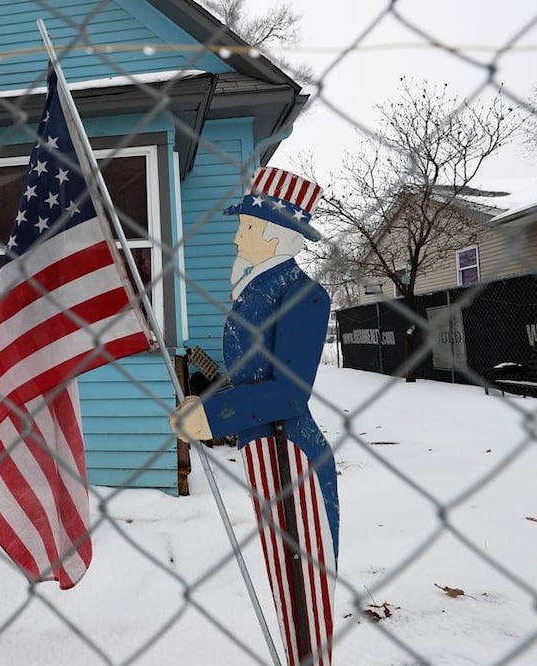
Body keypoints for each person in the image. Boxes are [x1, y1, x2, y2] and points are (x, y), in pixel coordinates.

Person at [170, 167, 338, 666]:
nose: (237, 236)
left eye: (246, 225)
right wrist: (207, 405)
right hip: (263, 451)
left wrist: (214, 416)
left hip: (293, 456)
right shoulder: (253, 293)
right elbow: (248, 378)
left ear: (277, 234)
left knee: (303, 594)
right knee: (284, 589)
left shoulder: (303, 295)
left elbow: (289, 393)